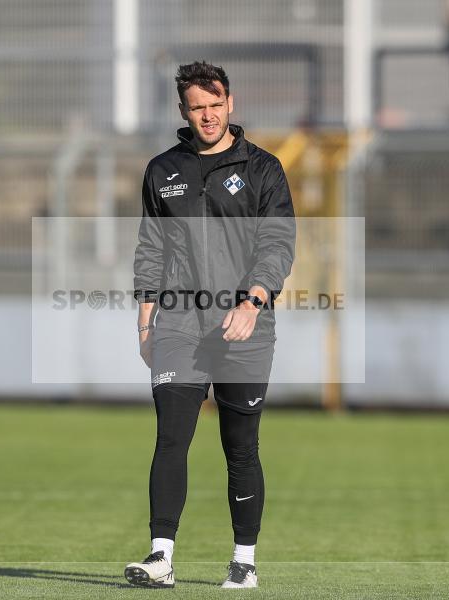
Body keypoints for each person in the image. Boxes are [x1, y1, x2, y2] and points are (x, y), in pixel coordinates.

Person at [127, 61, 295, 589]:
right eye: (197, 107)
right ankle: (160, 557)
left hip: (245, 325)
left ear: (231, 103)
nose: (207, 115)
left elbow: (277, 243)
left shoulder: (264, 169)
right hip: (178, 322)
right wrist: (144, 316)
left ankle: (243, 561)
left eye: (215, 104)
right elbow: (152, 245)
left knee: (240, 446)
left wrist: (253, 302)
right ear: (183, 111)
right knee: (171, 437)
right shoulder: (162, 170)